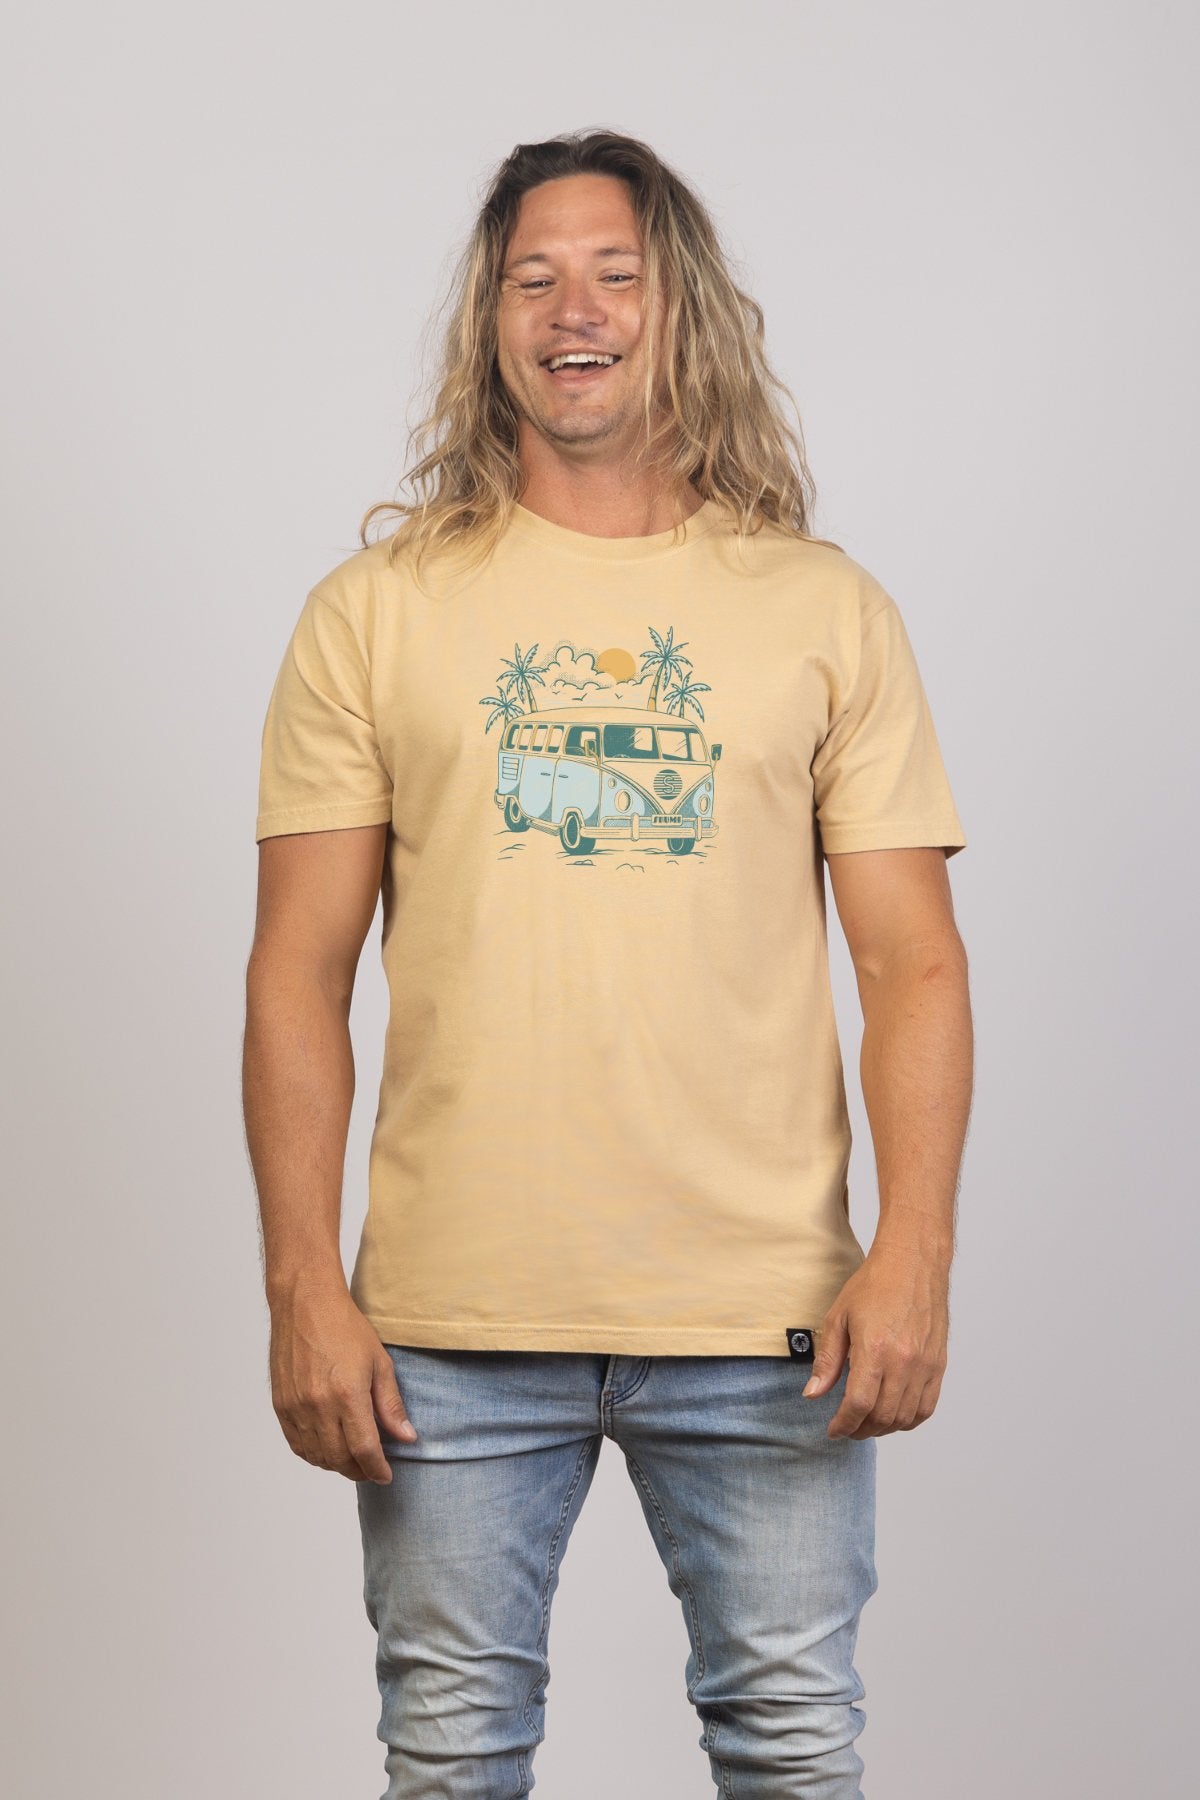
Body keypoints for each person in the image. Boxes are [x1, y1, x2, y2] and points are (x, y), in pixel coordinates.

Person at [243, 127, 973, 1800]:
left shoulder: (824, 610)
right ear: (490, 320)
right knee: (449, 1759)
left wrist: (915, 1253)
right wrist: (302, 1288)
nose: (573, 310)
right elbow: (297, 974)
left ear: (678, 306)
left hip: (769, 1318)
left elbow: (913, 965)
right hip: (446, 1327)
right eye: (533, 278)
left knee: (795, 1749)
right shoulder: (375, 613)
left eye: (614, 274)